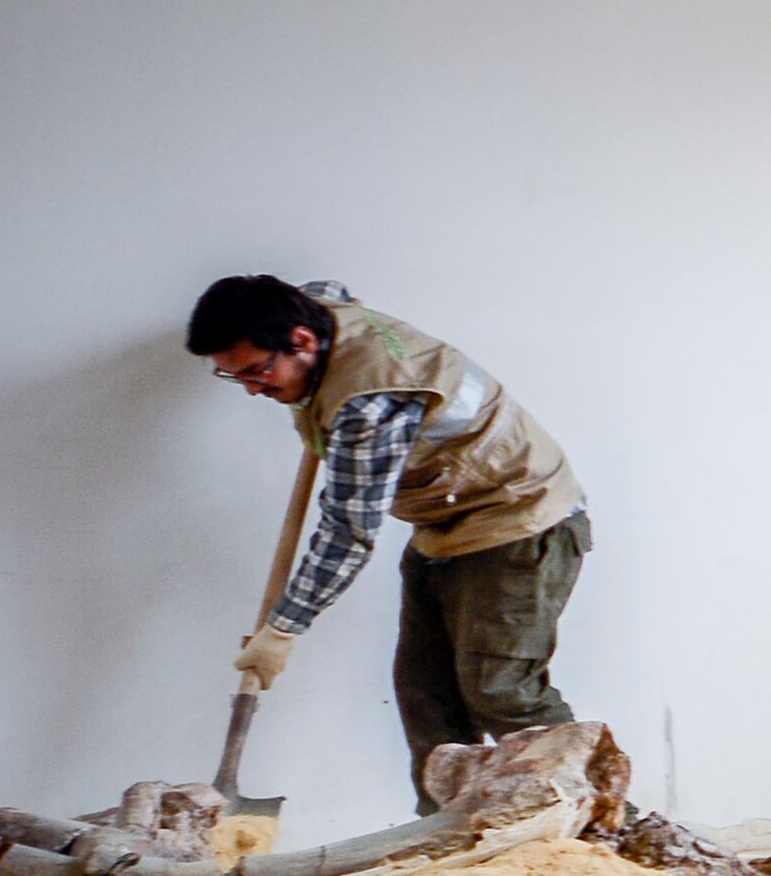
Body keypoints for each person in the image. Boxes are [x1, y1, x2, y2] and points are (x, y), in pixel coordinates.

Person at [189, 274, 593, 793]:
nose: (250, 388)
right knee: (426, 697)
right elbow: (329, 288)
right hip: (445, 523)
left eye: (256, 372)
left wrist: (284, 628)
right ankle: (441, 836)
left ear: (303, 342)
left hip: (519, 517)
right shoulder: (318, 312)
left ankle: (604, 825)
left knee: (500, 693)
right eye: (233, 377)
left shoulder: (371, 402)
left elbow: (349, 532)